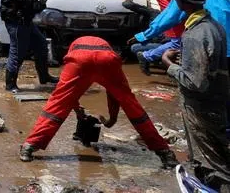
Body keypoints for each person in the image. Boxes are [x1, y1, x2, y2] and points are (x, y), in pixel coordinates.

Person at [19, 19, 175, 168]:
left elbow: (68, 96)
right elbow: (114, 93)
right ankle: (165, 153)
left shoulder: (74, 49)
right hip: (108, 60)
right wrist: (111, 119)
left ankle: (29, 146)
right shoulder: (105, 47)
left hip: (79, 60)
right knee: (132, 106)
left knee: (58, 103)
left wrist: (79, 112)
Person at [161, 0, 230, 190]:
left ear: (180, 0)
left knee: (214, 161)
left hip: (201, 107)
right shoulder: (214, 25)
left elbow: (196, 82)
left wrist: (169, 65)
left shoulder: (195, 34)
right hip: (218, 101)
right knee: (219, 152)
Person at [0, 0, 54, 92]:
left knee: (41, 44)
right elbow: (31, 8)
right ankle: (10, 84)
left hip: (25, 22)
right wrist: (42, 2)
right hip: (17, 23)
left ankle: (44, 76)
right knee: (17, 52)